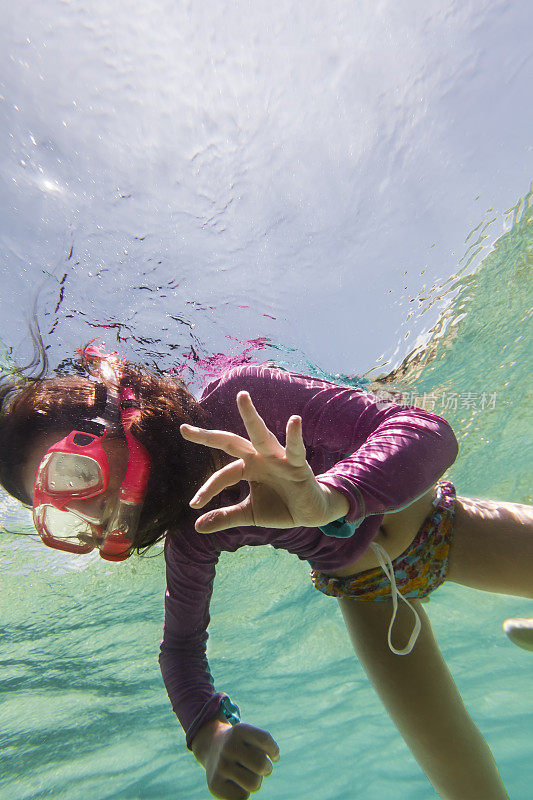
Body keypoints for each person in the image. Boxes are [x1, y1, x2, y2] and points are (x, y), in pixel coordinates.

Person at [1, 343, 532, 800]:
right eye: (63, 514)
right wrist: (209, 734)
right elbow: (180, 648)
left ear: (113, 416)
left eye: (71, 475)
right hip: (367, 594)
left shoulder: (240, 400)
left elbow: (424, 428)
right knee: (469, 791)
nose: (90, 511)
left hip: (443, 529)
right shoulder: (194, 530)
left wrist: (331, 496)